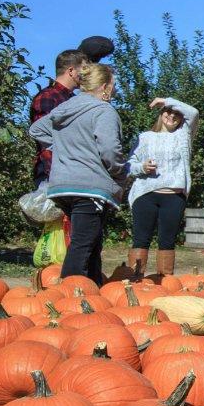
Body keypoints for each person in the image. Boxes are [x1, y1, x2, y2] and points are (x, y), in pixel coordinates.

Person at [28, 61, 127, 284]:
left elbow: (36, 129)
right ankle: (69, 295)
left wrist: (63, 147)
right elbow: (110, 151)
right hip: (89, 186)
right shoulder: (104, 111)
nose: (114, 90)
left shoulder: (64, 109)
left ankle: (94, 289)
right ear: (105, 86)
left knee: (91, 241)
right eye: (113, 85)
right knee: (82, 243)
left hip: (61, 185)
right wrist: (121, 173)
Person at [123, 96, 199, 280]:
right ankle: (135, 280)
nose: (171, 115)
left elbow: (193, 113)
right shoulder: (145, 137)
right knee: (141, 239)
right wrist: (142, 167)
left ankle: (164, 281)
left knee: (167, 241)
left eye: (176, 114)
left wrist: (166, 101)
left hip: (173, 196)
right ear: (160, 114)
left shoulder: (183, 136)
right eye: (167, 112)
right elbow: (128, 165)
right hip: (146, 194)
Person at [29, 48, 86, 187]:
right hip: (53, 173)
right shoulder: (48, 97)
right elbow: (46, 139)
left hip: (72, 171)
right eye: (84, 69)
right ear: (71, 71)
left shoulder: (74, 99)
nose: (86, 74)